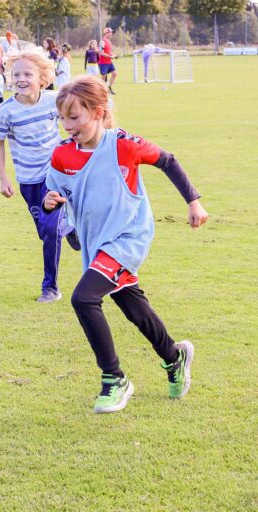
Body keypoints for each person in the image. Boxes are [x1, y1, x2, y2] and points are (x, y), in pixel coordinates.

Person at [44, 75, 209, 413]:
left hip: (127, 238)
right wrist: (51, 201)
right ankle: (173, 356)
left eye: (74, 117)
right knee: (132, 305)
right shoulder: (62, 155)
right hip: (95, 242)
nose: (67, 124)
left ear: (98, 112)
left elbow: (168, 160)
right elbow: (56, 192)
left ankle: (114, 378)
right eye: (63, 117)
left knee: (83, 298)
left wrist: (194, 201)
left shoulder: (123, 144)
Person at [0, 49, 75, 303]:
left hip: (57, 175)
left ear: (42, 77)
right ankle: (70, 227)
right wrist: (4, 178)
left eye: (28, 73)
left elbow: (75, 118)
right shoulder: (5, 111)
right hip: (29, 182)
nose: (21, 79)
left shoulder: (54, 100)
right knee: (46, 233)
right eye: (16, 74)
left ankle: (50, 287)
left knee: (49, 230)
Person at [99, 28, 118, 94]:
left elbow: (109, 52)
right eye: (110, 32)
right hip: (103, 63)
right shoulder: (102, 42)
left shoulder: (109, 41)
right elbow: (101, 52)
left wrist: (114, 55)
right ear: (106, 33)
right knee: (103, 77)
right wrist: (110, 56)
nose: (111, 34)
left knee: (115, 74)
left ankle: (109, 87)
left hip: (109, 62)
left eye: (111, 32)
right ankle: (100, 90)